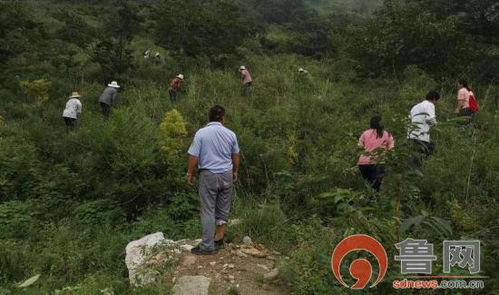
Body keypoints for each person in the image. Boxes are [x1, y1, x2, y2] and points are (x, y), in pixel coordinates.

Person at [187, 105, 240, 255]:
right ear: (223, 118)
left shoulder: (201, 133)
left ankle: (207, 246)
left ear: (209, 118)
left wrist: (190, 173)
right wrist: (235, 171)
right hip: (226, 175)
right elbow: (235, 155)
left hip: (209, 175)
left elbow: (193, 156)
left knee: (208, 210)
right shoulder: (230, 134)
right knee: (223, 210)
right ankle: (219, 239)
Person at [358, 116, 394, 192]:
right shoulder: (387, 134)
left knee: (368, 186)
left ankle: (367, 201)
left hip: (363, 163)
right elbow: (391, 149)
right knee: (375, 188)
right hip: (378, 163)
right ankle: (374, 202)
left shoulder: (365, 133)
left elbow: (360, 146)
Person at [408, 91, 441, 166]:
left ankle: (418, 169)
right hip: (421, 136)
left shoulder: (415, 106)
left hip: (411, 134)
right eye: (436, 101)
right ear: (433, 99)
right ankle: (419, 170)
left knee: (426, 149)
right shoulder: (430, 105)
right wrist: (436, 125)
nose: (436, 103)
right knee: (419, 156)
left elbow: (409, 119)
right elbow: (430, 119)